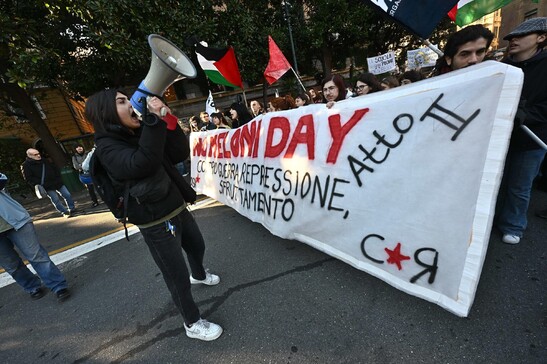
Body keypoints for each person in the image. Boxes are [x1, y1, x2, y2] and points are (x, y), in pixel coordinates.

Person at [85, 89, 222, 341]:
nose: (131, 104)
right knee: (176, 276)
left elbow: (178, 153)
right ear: (106, 112)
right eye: (122, 101)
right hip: (155, 222)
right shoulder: (106, 147)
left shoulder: (139, 132)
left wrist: (167, 120)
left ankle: (199, 275)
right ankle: (192, 323)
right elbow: (142, 164)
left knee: (197, 246)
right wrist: (152, 120)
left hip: (176, 206)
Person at [496, 17, 547, 245]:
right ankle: (491, 220)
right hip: (499, 137)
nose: (513, 40)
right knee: (495, 181)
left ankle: (513, 225)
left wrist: (525, 115)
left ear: (541, 37)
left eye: (520, 36)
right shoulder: (502, 66)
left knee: (519, 185)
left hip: (531, 139)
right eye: (511, 37)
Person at [0, 173, 71, 302]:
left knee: (36, 255)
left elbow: (2, 179)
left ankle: (58, 285)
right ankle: (32, 286)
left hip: (16, 220)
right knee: (11, 264)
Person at [22, 148, 75, 218]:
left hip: (57, 182)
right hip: (46, 185)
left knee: (67, 194)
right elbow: (29, 178)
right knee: (55, 199)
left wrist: (58, 178)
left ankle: (72, 208)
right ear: (30, 156)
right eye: (35, 154)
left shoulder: (44, 160)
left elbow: (54, 168)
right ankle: (64, 212)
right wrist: (40, 184)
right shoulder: (26, 165)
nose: (38, 155)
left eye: (38, 153)